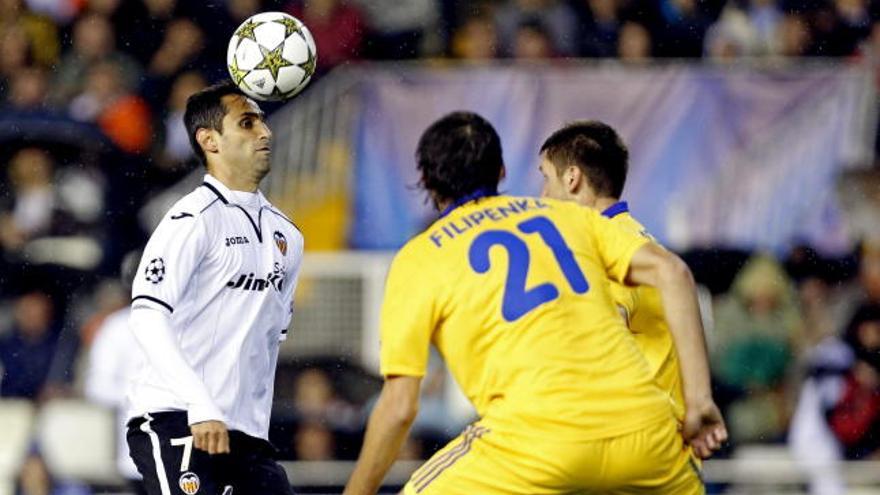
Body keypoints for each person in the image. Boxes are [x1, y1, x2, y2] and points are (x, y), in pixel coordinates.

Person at [343, 111, 726, 495]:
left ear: (425, 180)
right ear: (502, 170)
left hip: (541, 440)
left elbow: (399, 408)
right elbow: (675, 274)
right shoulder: (572, 221)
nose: (542, 188)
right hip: (649, 437)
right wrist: (699, 400)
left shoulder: (420, 257)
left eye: (545, 176)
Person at [125, 81, 304, 495]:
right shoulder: (191, 218)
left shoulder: (288, 235)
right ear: (210, 140)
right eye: (247, 122)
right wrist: (200, 404)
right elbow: (148, 315)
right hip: (180, 421)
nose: (265, 132)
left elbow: (270, 340)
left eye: (261, 120)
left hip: (246, 437)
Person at [536, 121, 694, 446]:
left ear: (572, 178)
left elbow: (603, 347)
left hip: (629, 444)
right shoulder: (634, 239)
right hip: (655, 439)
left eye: (545, 178)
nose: (542, 195)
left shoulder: (606, 249)